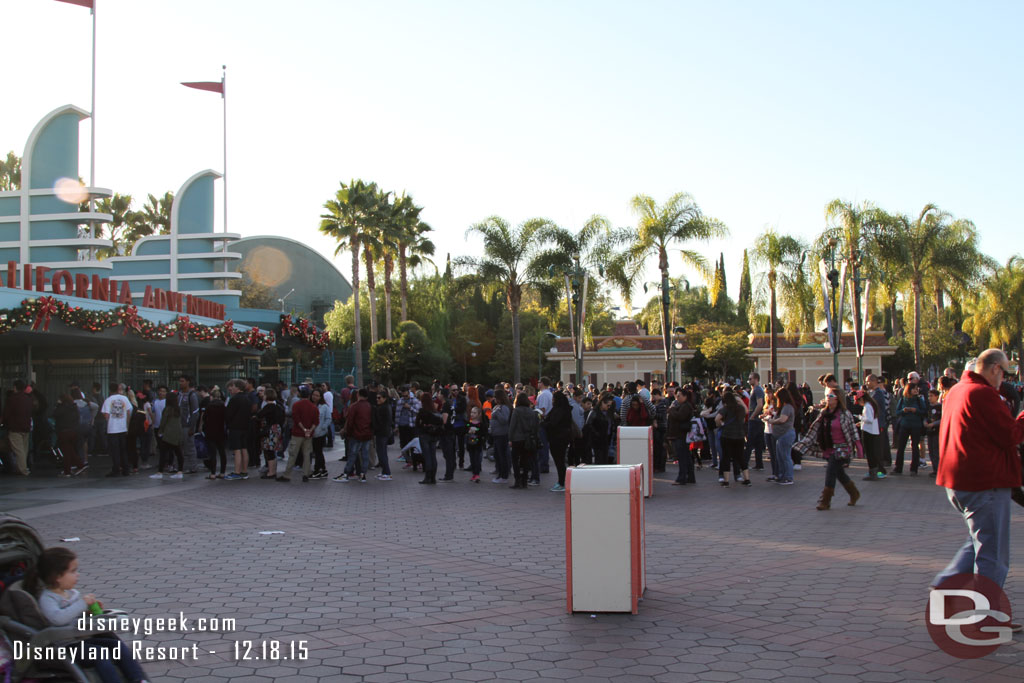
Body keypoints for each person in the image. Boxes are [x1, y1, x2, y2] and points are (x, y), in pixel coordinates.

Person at [933, 349, 1024, 596]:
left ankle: (946, 585)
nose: (1003, 379)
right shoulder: (983, 394)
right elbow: (1011, 435)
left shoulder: (958, 391)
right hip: (984, 482)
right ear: (995, 368)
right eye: (1004, 373)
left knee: (981, 540)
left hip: (960, 481)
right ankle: (987, 615)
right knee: (992, 552)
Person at [25, 547, 149, 683]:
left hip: (79, 640)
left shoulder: (71, 593)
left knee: (116, 646)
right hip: (65, 646)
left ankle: (138, 678)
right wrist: (82, 604)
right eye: (72, 571)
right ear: (57, 577)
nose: (77, 575)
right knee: (99, 653)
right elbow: (58, 619)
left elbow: (74, 616)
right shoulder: (48, 598)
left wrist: (88, 612)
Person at [796, 389, 862, 510]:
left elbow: (853, 431)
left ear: (837, 398)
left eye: (830, 395)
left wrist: (859, 447)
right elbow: (814, 430)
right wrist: (801, 445)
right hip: (829, 448)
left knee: (831, 471)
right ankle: (854, 493)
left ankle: (825, 500)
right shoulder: (824, 413)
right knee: (839, 473)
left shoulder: (844, 413)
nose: (827, 398)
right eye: (826, 395)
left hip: (842, 449)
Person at [335, 388, 370, 482]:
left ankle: (346, 473)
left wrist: (349, 433)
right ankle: (363, 474)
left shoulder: (354, 406)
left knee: (352, 455)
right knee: (365, 455)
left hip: (356, 434)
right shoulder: (370, 406)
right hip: (366, 434)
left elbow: (350, 422)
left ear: (358, 394)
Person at [715, 388, 747, 487]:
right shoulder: (740, 408)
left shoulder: (725, 409)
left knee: (726, 458)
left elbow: (717, 419)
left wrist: (720, 424)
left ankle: (726, 480)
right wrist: (739, 400)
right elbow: (746, 411)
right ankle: (747, 479)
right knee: (741, 457)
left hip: (727, 435)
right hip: (740, 435)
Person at [892, 382, 926, 475]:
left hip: (916, 426)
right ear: (908, 390)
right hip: (904, 425)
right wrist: (903, 410)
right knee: (901, 447)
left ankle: (914, 469)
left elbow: (924, 411)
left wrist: (916, 411)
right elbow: (897, 412)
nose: (916, 390)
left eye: (916, 389)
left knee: (915, 447)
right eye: (914, 389)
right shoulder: (903, 400)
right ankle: (898, 468)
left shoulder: (919, 400)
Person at [508, 392, 540, 489]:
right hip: (527, 438)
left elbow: (512, 426)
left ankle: (517, 480)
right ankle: (524, 480)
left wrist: (510, 438)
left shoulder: (516, 411)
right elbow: (535, 426)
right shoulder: (531, 411)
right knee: (525, 460)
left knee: (515, 460)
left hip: (517, 438)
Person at [101, 383, 133, 478]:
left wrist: (110, 419)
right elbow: (129, 411)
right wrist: (127, 424)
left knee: (115, 451)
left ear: (110, 390)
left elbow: (106, 415)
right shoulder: (124, 399)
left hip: (112, 428)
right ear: (118, 389)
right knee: (123, 449)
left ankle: (116, 469)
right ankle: (126, 469)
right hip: (122, 428)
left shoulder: (108, 400)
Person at [543, 392, 573, 492]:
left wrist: (544, 423)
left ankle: (561, 482)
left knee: (559, 461)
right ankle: (561, 481)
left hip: (557, 438)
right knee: (559, 461)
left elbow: (553, 423)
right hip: (561, 438)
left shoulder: (559, 410)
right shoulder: (565, 409)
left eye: (553, 399)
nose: (552, 401)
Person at [1, 379, 33, 475]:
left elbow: (7, 413)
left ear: (15, 387)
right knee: (24, 449)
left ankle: (23, 470)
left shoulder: (12, 399)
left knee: (18, 450)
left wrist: (3, 421)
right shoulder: (28, 399)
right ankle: (24, 467)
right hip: (26, 427)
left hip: (15, 427)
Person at [766, 387, 796, 485]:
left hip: (786, 434)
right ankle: (782, 475)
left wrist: (772, 421)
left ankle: (788, 477)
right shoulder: (785, 407)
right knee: (780, 456)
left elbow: (783, 420)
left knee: (785, 456)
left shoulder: (787, 407)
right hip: (782, 435)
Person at [415, 393, 445, 484]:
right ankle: (433, 477)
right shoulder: (435, 412)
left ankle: (427, 477)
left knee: (427, 456)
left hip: (424, 435)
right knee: (433, 455)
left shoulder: (422, 411)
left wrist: (422, 426)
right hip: (434, 435)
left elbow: (417, 423)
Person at [855, 390, 885, 481]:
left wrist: (859, 417)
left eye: (859, 401)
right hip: (872, 430)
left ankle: (873, 473)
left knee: (870, 453)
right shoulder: (872, 405)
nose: (859, 403)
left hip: (868, 432)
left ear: (862, 399)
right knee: (872, 453)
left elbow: (869, 419)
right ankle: (873, 471)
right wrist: (861, 422)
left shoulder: (867, 406)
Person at [224, 379, 251, 480]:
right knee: (244, 449)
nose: (230, 388)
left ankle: (237, 472)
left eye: (232, 386)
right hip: (245, 427)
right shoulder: (247, 398)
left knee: (237, 450)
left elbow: (228, 414)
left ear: (238, 387)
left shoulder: (234, 399)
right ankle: (244, 471)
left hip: (235, 427)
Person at [668, 389, 695, 485]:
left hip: (681, 434)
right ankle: (689, 477)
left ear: (685, 396)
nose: (677, 397)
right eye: (677, 396)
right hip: (680, 434)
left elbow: (679, 417)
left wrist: (672, 409)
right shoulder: (683, 405)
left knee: (682, 456)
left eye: (679, 396)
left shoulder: (685, 406)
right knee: (686, 456)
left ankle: (682, 477)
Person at [53, 393, 82, 477]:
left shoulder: (62, 407)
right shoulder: (74, 407)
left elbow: (55, 414)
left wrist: (58, 405)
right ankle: (79, 465)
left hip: (64, 431)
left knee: (66, 452)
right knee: (70, 450)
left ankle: (67, 471)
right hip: (73, 431)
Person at [153, 401, 184, 478]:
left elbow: (163, 421)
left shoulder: (167, 409)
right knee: (178, 452)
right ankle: (180, 471)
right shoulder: (178, 409)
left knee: (163, 453)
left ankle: (160, 472)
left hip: (168, 434)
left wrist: (160, 431)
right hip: (177, 433)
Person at [202, 389, 227, 479]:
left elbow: (205, 418)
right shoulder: (223, 406)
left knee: (212, 453)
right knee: (222, 452)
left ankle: (213, 473)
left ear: (211, 397)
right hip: (221, 431)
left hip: (210, 431)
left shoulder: (209, 406)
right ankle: (222, 472)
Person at [489, 388, 512, 483]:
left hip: (502, 434)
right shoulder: (498, 407)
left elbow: (504, 420)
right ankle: (500, 474)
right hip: (496, 434)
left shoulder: (504, 408)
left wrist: (497, 413)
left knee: (502, 455)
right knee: (498, 455)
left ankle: (504, 475)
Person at [744, 372, 766, 471]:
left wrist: (752, 416)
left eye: (750, 378)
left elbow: (760, 404)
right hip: (756, 419)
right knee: (757, 442)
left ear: (756, 379)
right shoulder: (755, 390)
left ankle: (744, 463)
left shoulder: (757, 390)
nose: (749, 380)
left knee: (750, 442)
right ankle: (759, 464)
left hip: (755, 420)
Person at [371, 389, 394, 480]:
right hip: (384, 432)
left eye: (379, 398)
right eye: (377, 397)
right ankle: (385, 471)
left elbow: (379, 421)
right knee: (382, 452)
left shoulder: (382, 408)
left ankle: (387, 472)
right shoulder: (386, 407)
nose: (377, 399)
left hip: (382, 432)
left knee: (381, 453)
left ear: (384, 398)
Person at [465, 405, 488, 483]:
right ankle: (474, 474)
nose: (472, 414)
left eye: (474, 413)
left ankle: (477, 474)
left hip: (477, 444)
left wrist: (476, 430)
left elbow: (483, 432)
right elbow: (466, 429)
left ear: (479, 414)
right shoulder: (469, 423)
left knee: (477, 459)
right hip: (470, 444)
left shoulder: (480, 424)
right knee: (472, 459)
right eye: (471, 412)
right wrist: (468, 430)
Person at [924, 388, 942, 477]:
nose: (929, 398)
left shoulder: (940, 407)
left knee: (936, 451)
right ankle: (935, 469)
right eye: (928, 396)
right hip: (929, 432)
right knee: (931, 451)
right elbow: (926, 417)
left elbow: (942, 419)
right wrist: (925, 422)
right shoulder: (929, 407)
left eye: (931, 396)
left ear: (937, 396)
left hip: (937, 431)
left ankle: (939, 470)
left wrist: (934, 424)